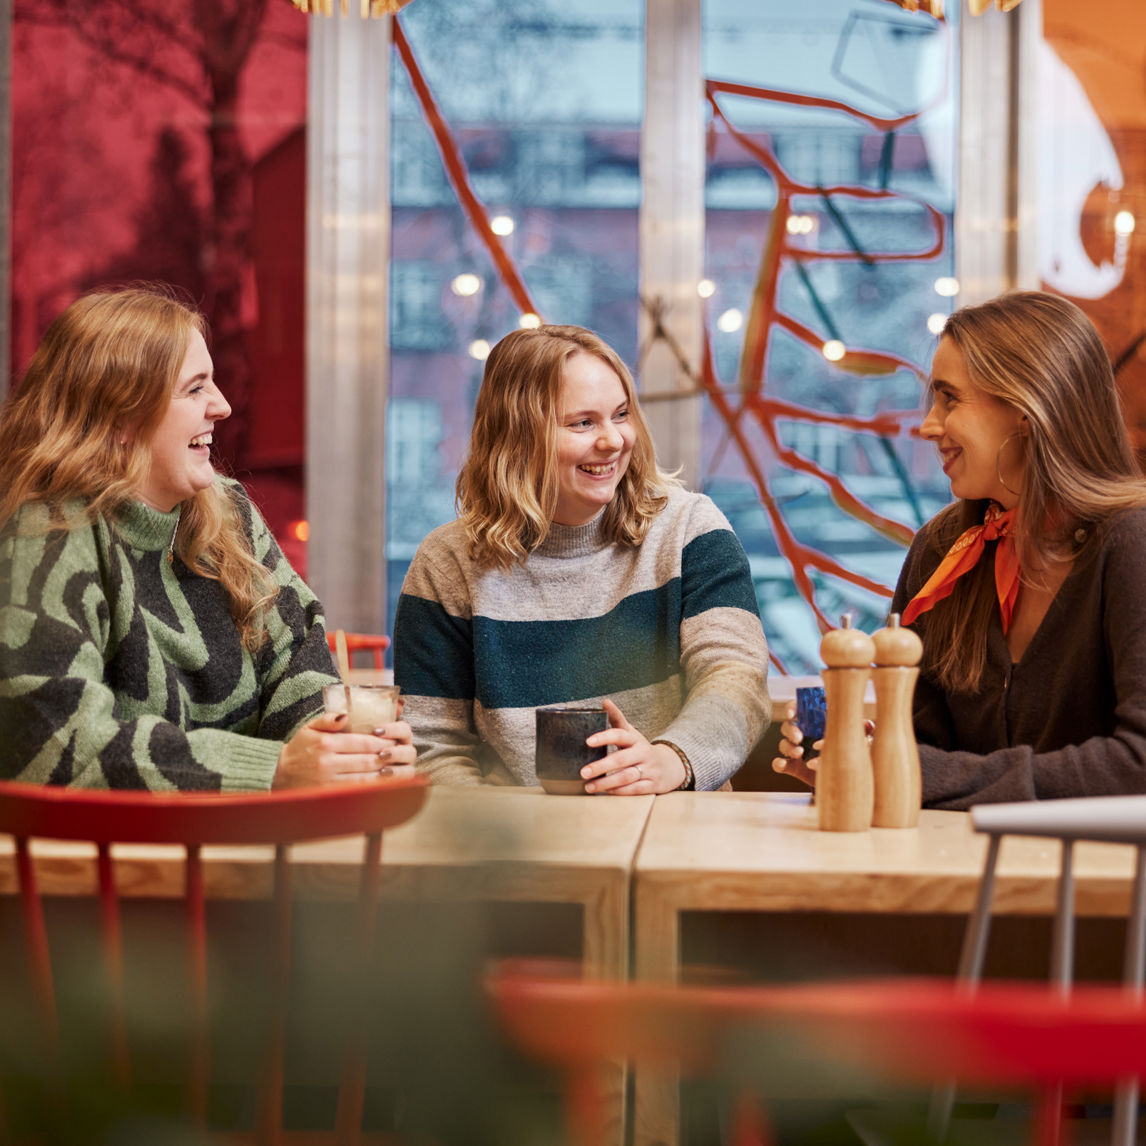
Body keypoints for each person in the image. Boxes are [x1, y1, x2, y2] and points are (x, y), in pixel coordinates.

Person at [0, 285, 415, 790]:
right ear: (122, 416)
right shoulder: (48, 531)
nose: (222, 406)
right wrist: (274, 769)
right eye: (196, 388)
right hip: (116, 843)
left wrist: (338, 748)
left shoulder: (229, 510)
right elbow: (52, 745)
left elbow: (299, 668)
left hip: (251, 834)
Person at [774, 290, 1146, 809]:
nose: (928, 426)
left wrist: (921, 772)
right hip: (953, 858)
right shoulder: (941, 548)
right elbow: (929, 753)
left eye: (949, 398)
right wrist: (855, 760)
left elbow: (1138, 765)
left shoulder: (1131, 542)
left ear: (1027, 406)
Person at [393, 324, 771, 792]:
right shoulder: (446, 563)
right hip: (512, 833)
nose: (614, 441)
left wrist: (670, 760)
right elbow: (432, 745)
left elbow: (736, 679)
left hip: (675, 820)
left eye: (621, 415)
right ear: (517, 438)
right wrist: (506, 830)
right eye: (582, 423)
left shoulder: (689, 529)